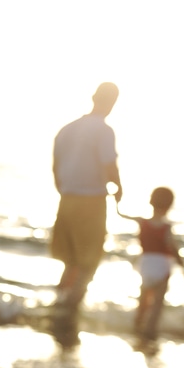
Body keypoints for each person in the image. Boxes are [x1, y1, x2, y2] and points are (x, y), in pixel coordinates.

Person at [49, 82, 122, 341]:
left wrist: (64, 189)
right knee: (88, 262)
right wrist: (119, 186)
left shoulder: (67, 129)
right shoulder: (103, 130)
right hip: (91, 199)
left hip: (67, 197)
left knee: (70, 260)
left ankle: (57, 307)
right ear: (111, 102)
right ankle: (70, 311)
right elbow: (108, 164)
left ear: (93, 97)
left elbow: (55, 166)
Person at [116, 187, 184, 342]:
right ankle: (149, 332)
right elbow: (174, 249)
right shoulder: (166, 227)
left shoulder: (142, 222)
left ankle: (137, 326)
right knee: (156, 305)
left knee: (143, 300)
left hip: (146, 265)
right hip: (162, 266)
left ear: (151, 201)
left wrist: (117, 202)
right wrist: (183, 268)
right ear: (170, 206)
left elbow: (121, 214)